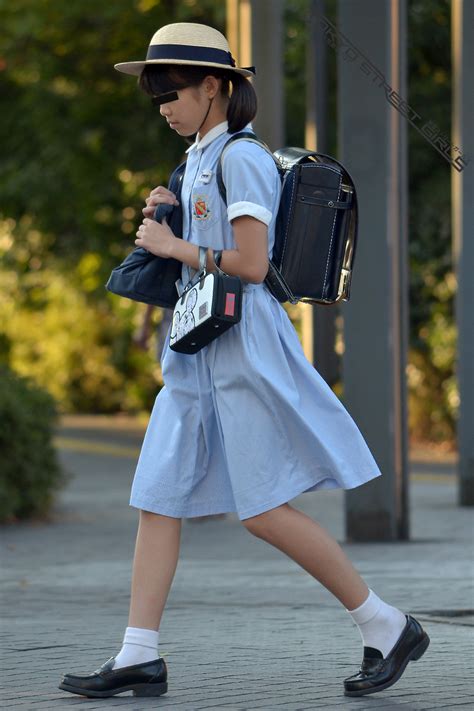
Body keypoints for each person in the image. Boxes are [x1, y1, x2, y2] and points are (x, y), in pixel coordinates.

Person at [58, 22, 430, 700]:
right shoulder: (197, 159)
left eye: (169, 91)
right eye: (154, 95)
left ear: (214, 86)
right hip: (193, 353)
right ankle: (138, 652)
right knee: (157, 498)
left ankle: (387, 623)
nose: (162, 105)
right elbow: (196, 252)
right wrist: (168, 228)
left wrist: (173, 248)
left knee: (261, 510)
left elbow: (253, 265)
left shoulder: (240, 158)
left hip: (239, 349)